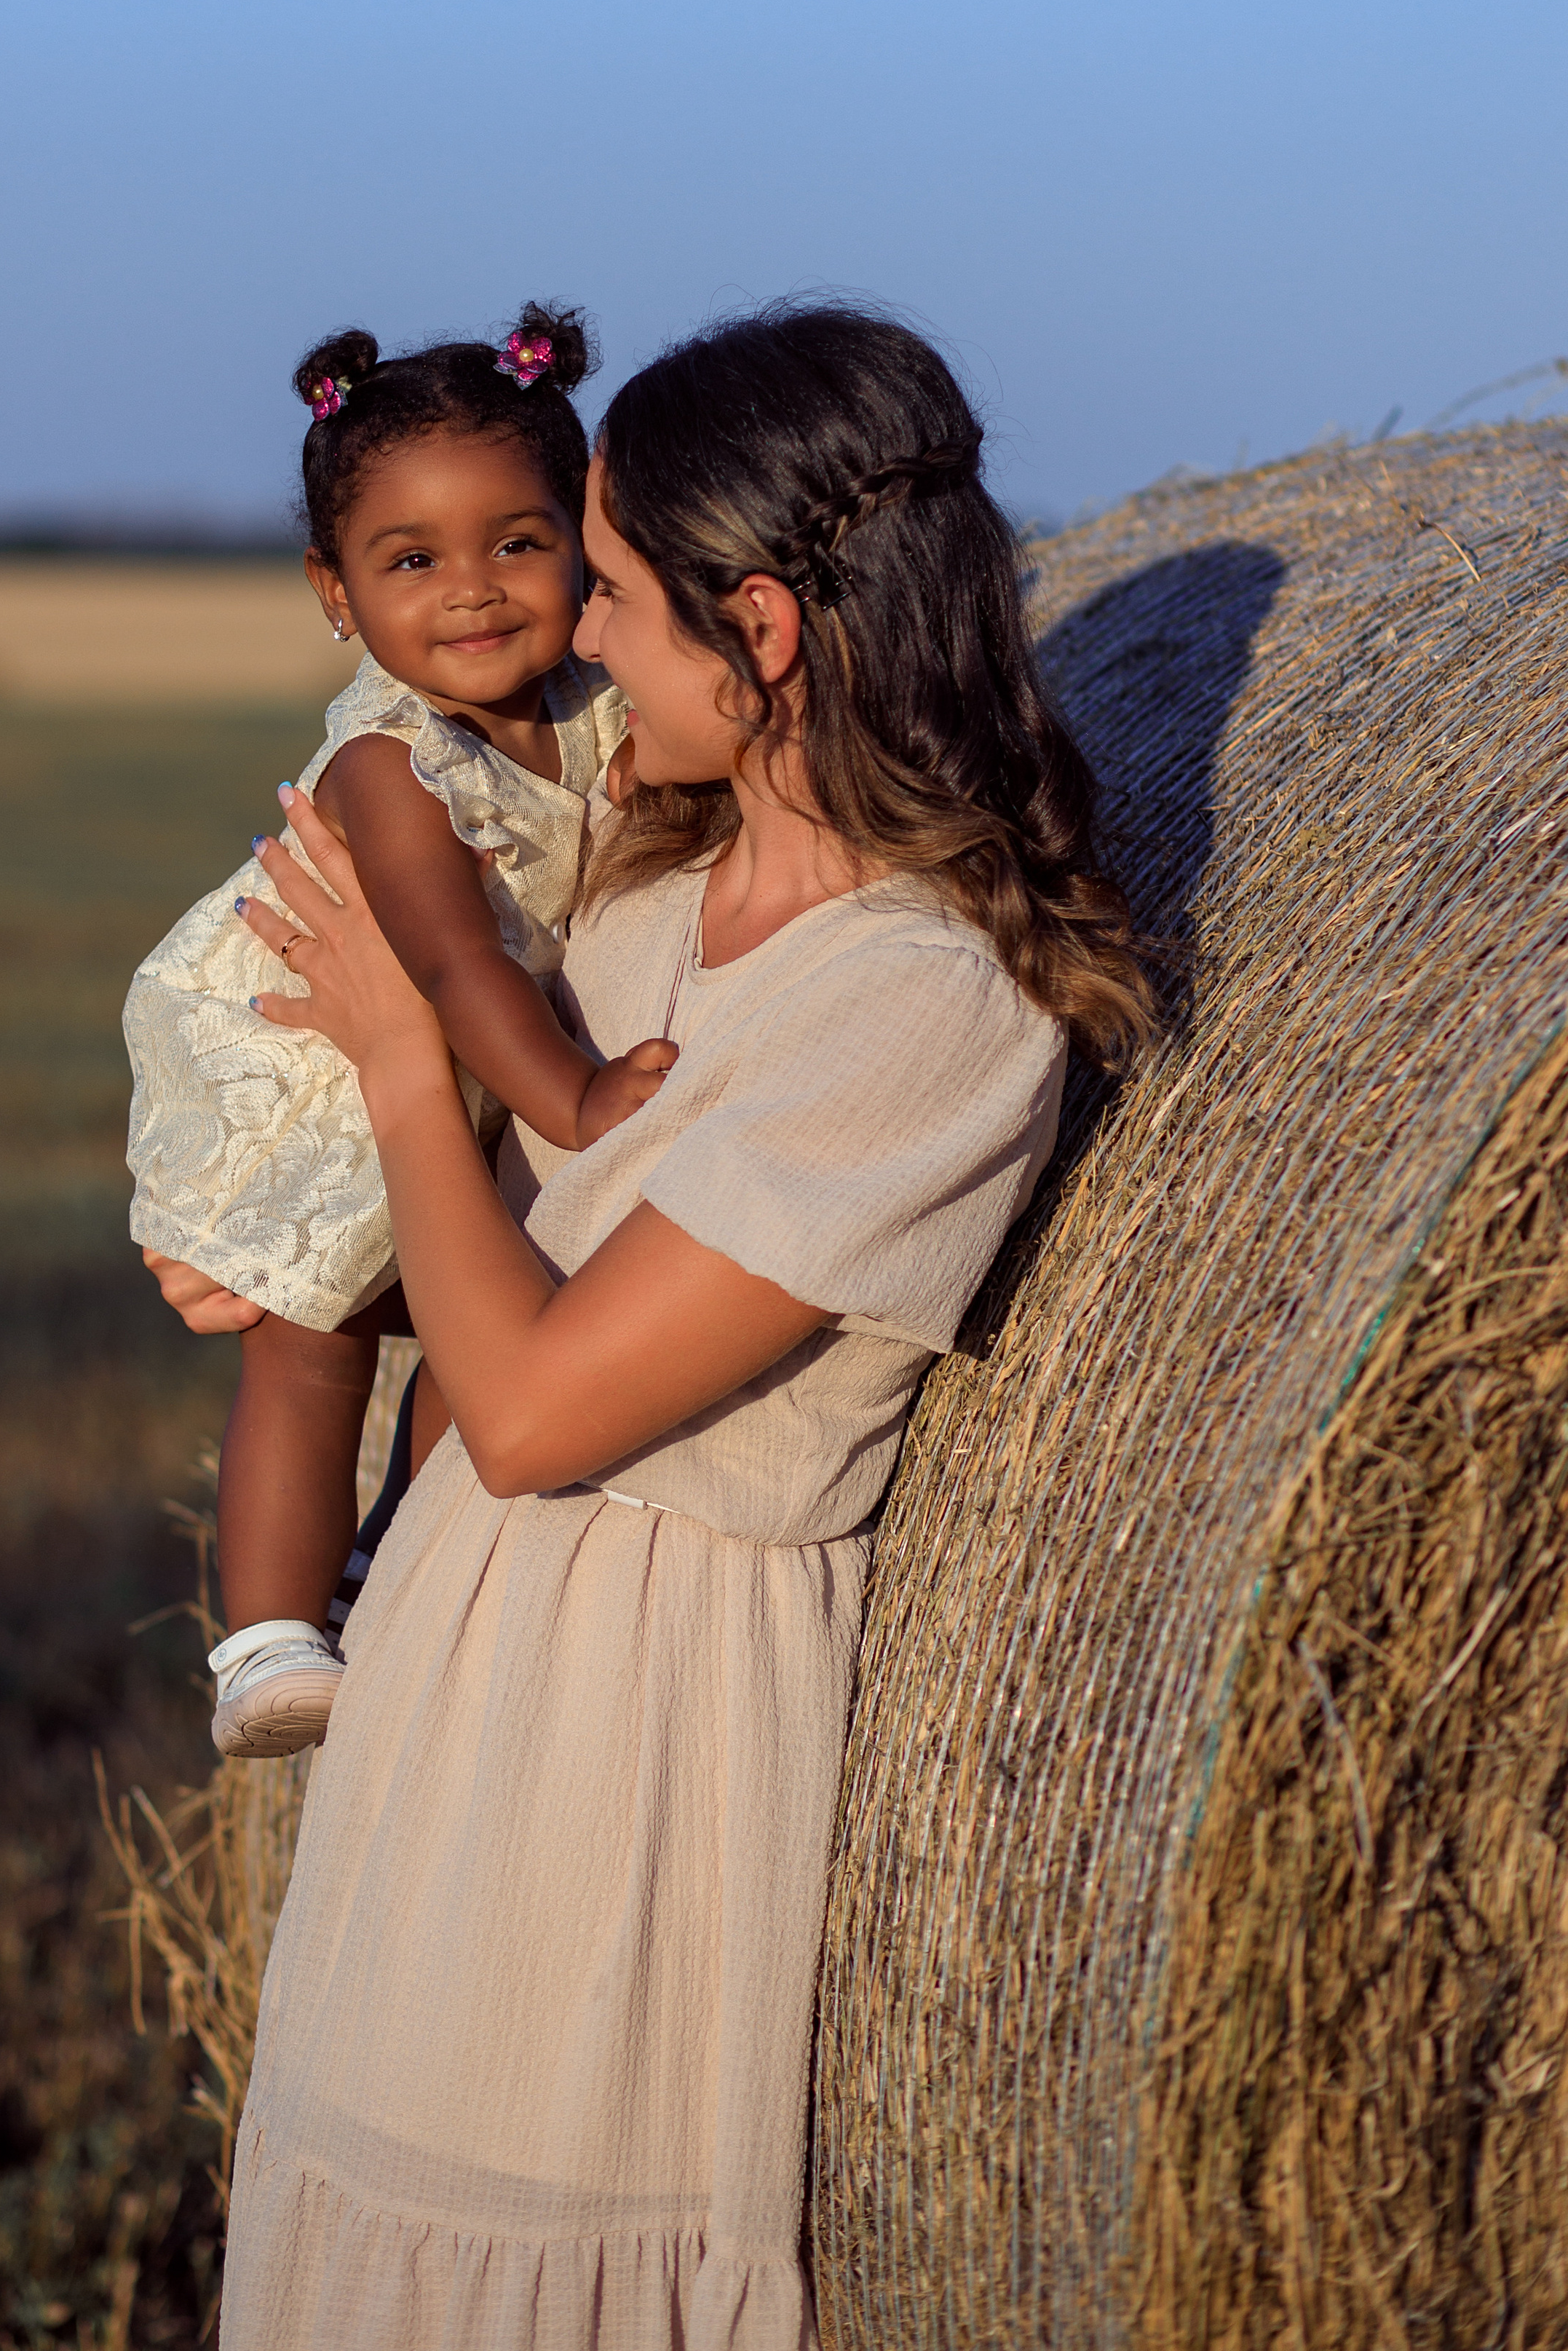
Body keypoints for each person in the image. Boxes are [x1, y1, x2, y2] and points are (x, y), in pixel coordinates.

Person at [213, 304, 1155, 2347]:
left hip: (631, 1757)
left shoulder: (926, 1008)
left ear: (764, 627)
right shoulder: (643, 907)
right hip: (456, 1674)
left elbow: (546, 1400)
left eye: (609, 591)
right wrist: (287, 1270)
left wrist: (397, 1059)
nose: (575, 643)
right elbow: (483, 1295)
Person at [124, 304, 667, 1758]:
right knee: (315, 1343)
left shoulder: (601, 704)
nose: (473, 591)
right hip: (327, 1071)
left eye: (518, 542)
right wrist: (577, 1098)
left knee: (488, 1318)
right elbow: (443, 959)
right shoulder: (390, 761)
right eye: (409, 559)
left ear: (585, 542)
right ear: (335, 594)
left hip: (453, 1075)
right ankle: (265, 1642)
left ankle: (386, 1562)